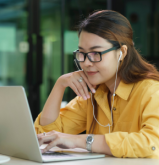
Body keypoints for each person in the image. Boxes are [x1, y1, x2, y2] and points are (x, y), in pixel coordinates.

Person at [34, 10, 159, 159]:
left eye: (96, 53)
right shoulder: (93, 93)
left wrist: (82, 140)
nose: (86, 63)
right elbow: (45, 135)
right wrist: (60, 85)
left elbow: (152, 143)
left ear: (122, 53)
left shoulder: (152, 91)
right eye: (82, 53)